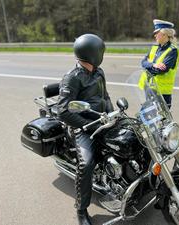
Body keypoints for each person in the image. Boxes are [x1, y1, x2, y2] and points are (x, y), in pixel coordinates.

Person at [56, 34, 113, 225]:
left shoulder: (99, 72)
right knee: (87, 164)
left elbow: (105, 96)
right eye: (101, 51)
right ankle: (81, 210)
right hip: (82, 127)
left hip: (103, 121)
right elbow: (62, 111)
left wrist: (113, 113)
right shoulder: (72, 78)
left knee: (133, 139)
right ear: (93, 54)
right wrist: (87, 125)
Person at [138, 19, 179, 109]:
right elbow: (143, 62)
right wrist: (153, 65)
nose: (155, 35)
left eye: (157, 33)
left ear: (164, 34)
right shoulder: (154, 48)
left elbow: (161, 70)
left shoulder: (172, 50)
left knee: (162, 120)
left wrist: (150, 66)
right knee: (149, 118)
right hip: (150, 89)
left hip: (162, 92)